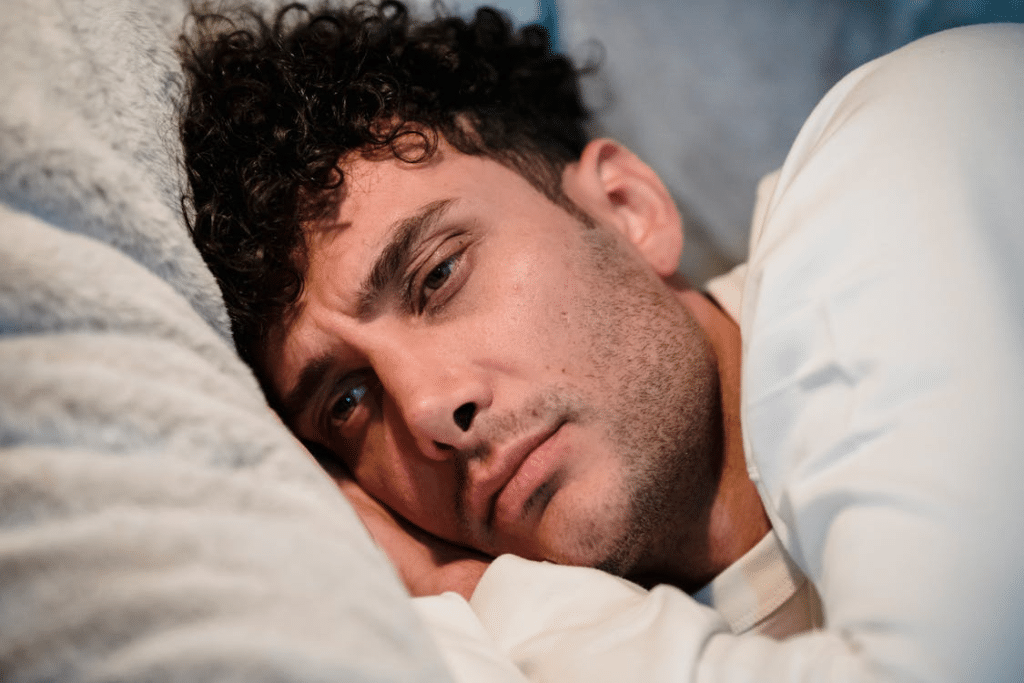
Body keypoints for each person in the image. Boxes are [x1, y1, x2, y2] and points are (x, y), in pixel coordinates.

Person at [177, 1, 1024, 680]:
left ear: (626, 208)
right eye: (349, 401)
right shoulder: (465, 644)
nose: (430, 410)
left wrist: (480, 595)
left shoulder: (907, 148)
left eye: (438, 276)